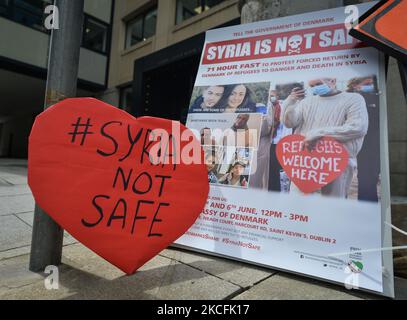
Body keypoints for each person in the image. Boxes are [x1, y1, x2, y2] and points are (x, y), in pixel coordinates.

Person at [281, 77, 369, 198]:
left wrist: (319, 133)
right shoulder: (306, 102)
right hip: (305, 159)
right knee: (299, 200)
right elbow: (289, 123)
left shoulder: (353, 99)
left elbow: (358, 127)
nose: (315, 88)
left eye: (318, 84)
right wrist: (289, 103)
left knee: (333, 203)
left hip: (336, 159)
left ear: (333, 81)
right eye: (311, 86)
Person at [347, 76, 380, 202]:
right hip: (351, 143)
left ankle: (367, 203)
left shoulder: (375, 97)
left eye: (371, 83)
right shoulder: (348, 99)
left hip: (371, 144)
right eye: (367, 83)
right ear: (355, 85)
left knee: (369, 177)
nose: (370, 85)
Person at [268, 90, 293, 191]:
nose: (271, 98)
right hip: (270, 142)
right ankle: (272, 189)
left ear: (277, 96)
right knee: (271, 169)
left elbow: (287, 127)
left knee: (279, 169)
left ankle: (279, 189)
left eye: (273, 96)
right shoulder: (269, 107)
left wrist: (284, 143)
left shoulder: (282, 107)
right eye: (269, 96)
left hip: (280, 143)